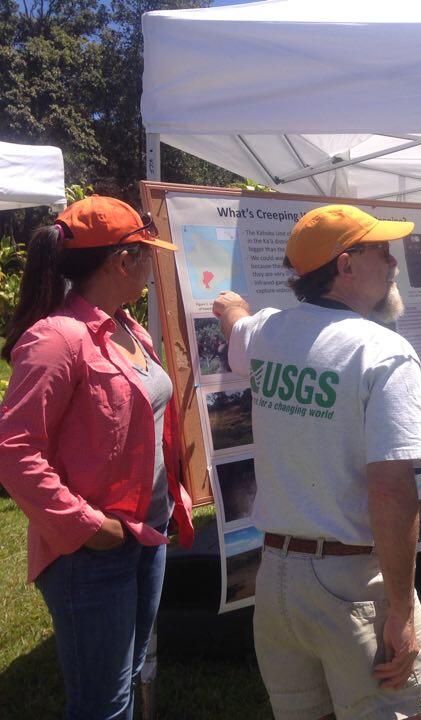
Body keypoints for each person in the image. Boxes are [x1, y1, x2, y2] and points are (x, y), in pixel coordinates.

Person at [213, 204, 421, 720]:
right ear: (345, 266)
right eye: (381, 253)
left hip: (275, 579)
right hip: (350, 583)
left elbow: (237, 329)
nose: (393, 264)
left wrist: (229, 305)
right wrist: (401, 611)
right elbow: (391, 489)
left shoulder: (268, 334)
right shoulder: (384, 352)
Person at [0, 196, 195, 719]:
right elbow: (13, 450)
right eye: (147, 253)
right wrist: (89, 526)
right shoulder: (57, 338)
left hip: (145, 536)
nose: (155, 265)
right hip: (89, 554)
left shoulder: (131, 329)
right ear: (121, 260)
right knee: (101, 705)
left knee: (126, 677)